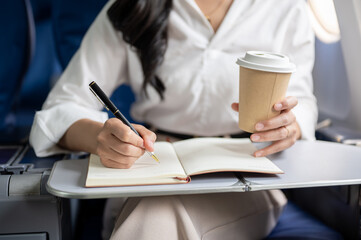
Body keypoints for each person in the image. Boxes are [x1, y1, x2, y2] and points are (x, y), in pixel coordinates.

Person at [30, 0, 317, 239]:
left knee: (157, 212)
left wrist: (290, 125)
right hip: (147, 169)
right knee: (155, 205)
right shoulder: (131, 7)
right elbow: (61, 107)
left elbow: (302, 102)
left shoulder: (286, 8)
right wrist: (100, 138)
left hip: (246, 176)